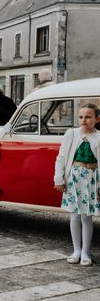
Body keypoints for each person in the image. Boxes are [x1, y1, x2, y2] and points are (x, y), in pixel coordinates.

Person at [54, 103, 100, 267]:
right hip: (74, 177)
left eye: (88, 117)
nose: (84, 120)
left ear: (96, 119)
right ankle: (76, 250)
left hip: (92, 178)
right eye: (81, 117)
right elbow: (62, 156)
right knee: (74, 215)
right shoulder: (71, 134)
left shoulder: (99, 137)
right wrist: (59, 178)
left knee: (87, 217)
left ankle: (86, 252)